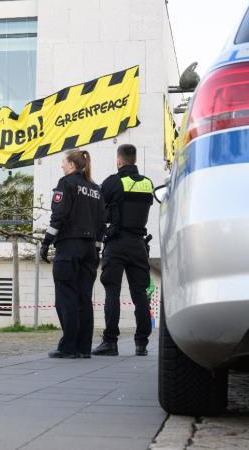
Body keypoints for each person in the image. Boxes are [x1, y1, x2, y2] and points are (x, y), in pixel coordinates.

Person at [40, 149, 104, 359]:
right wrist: (96, 248)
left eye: (63, 162)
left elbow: (59, 215)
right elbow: (101, 223)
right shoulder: (95, 188)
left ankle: (68, 347)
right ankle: (84, 348)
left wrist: (46, 243)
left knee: (66, 296)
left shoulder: (66, 183)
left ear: (71, 165)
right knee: (84, 297)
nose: (61, 166)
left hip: (69, 246)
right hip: (89, 250)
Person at [92, 144, 155, 357]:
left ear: (119, 161)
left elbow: (100, 211)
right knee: (140, 295)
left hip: (117, 243)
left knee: (112, 292)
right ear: (134, 159)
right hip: (139, 244)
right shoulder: (148, 184)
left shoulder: (112, 182)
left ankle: (110, 342)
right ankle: (142, 344)